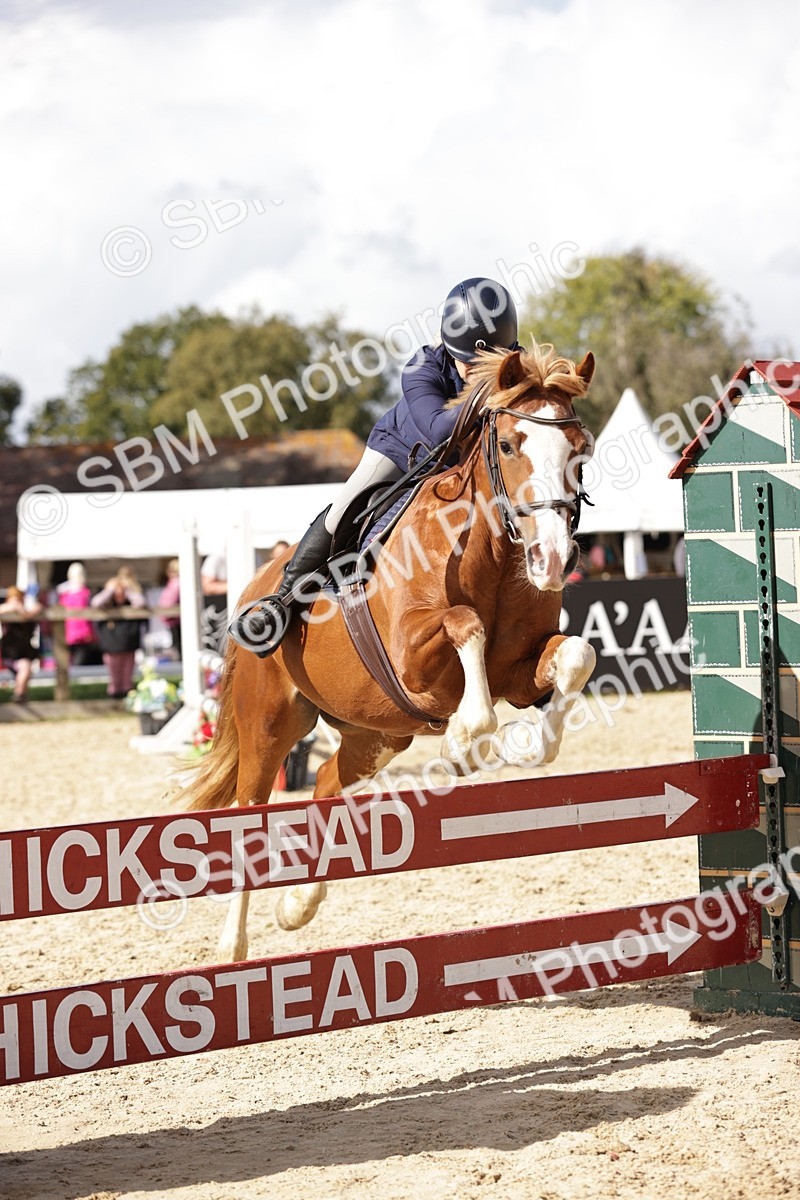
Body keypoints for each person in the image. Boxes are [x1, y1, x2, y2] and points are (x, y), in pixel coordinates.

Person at [229, 277, 519, 657]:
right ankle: (280, 602)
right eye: (468, 362)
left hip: (462, 470)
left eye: (485, 364)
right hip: (401, 454)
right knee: (344, 508)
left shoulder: (515, 364)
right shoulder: (421, 367)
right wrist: (490, 387)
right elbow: (438, 431)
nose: (474, 370)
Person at [91, 567, 145, 699]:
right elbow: (95, 603)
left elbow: (140, 602)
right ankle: (115, 699)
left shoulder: (130, 600)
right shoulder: (107, 603)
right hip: (112, 644)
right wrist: (109, 590)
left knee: (127, 677)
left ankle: (127, 699)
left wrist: (128, 591)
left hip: (128, 642)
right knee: (115, 676)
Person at [0, 586, 44, 703]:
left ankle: (20, 696)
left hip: (24, 652)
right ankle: (19, 695)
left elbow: (38, 609)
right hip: (10, 654)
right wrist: (14, 607)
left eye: (19, 599)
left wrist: (31, 612)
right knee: (25, 667)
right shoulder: (7, 613)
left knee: (26, 667)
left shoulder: (29, 613)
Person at [56, 562, 96, 666]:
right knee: (78, 662)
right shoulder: (84, 592)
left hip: (69, 632)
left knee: (74, 660)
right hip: (81, 632)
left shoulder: (63, 593)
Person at [159, 558, 182, 657]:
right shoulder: (174, 583)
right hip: (173, 617)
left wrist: (165, 612)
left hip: (175, 618)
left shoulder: (176, 583)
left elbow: (170, 601)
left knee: (180, 646)